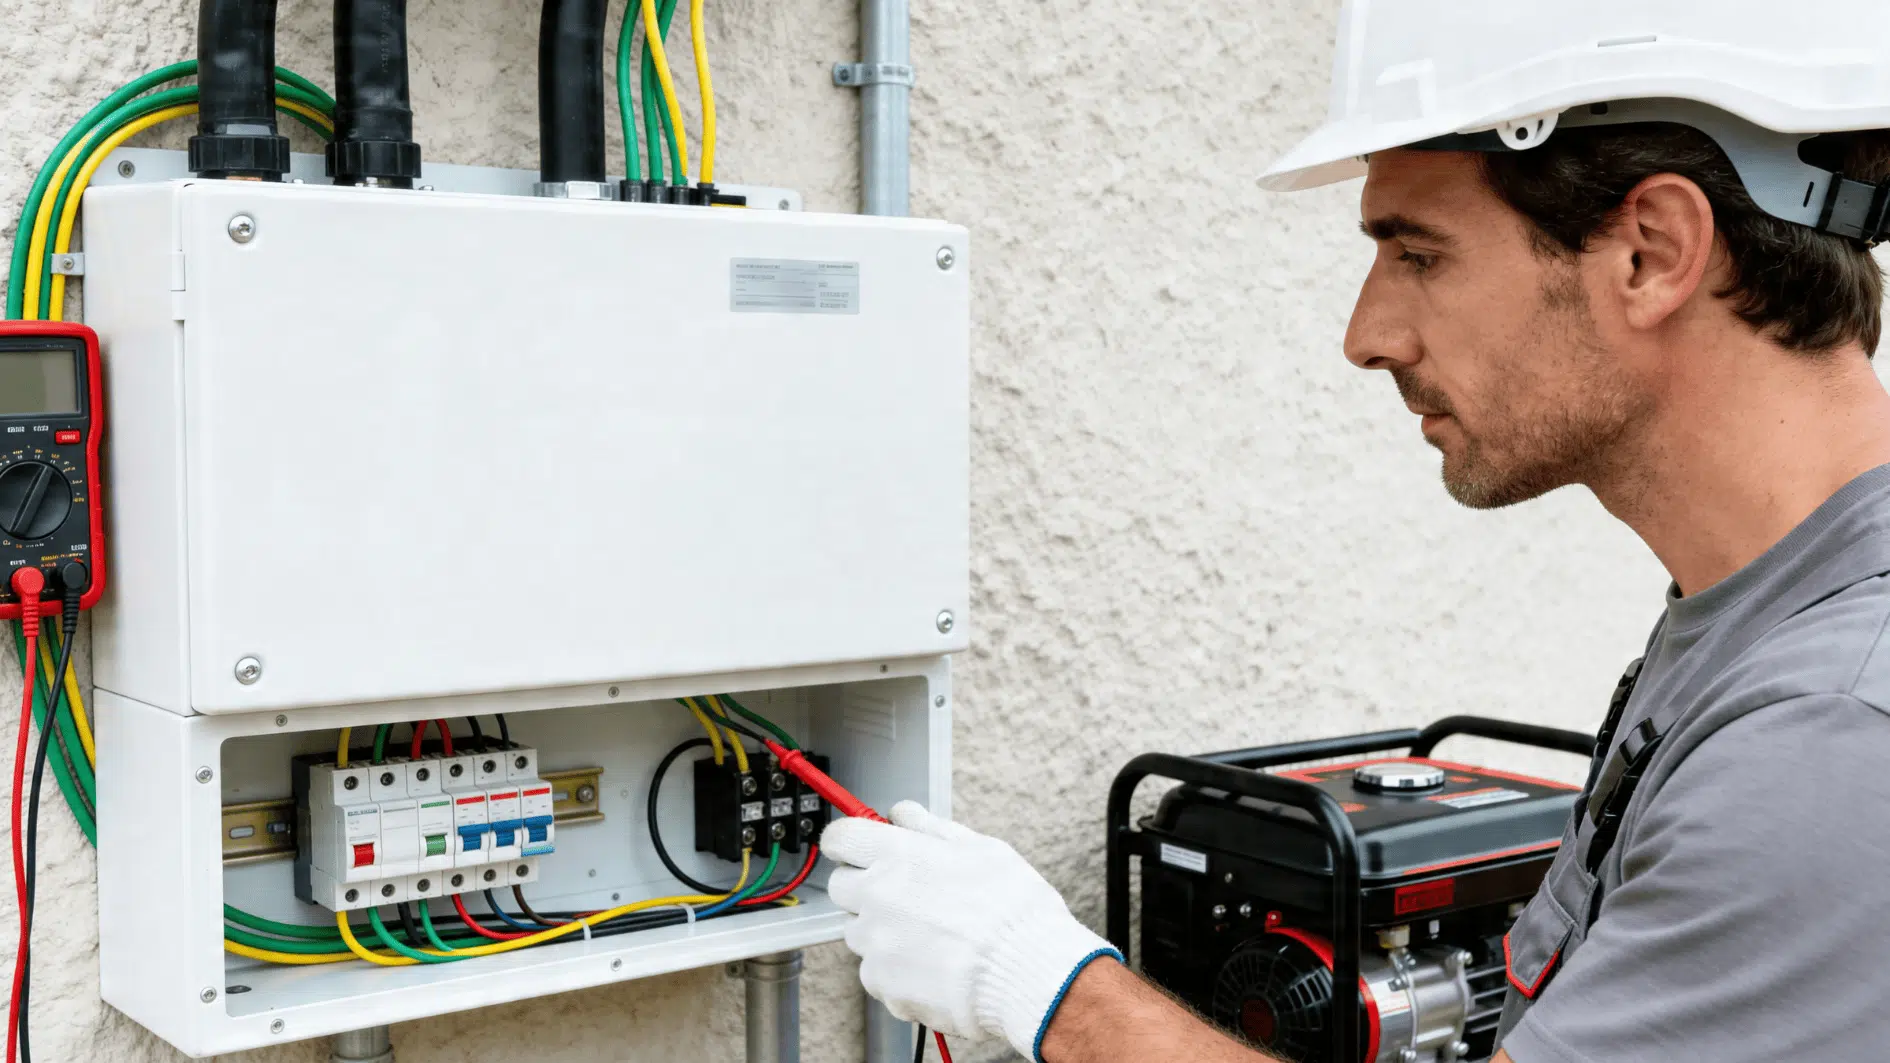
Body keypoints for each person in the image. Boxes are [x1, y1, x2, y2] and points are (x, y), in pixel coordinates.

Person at [820, 3, 1890, 1062]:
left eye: (1418, 254)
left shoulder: (1828, 738)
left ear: (1652, 252)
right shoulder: (1757, 614)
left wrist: (1041, 985)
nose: (1366, 336)